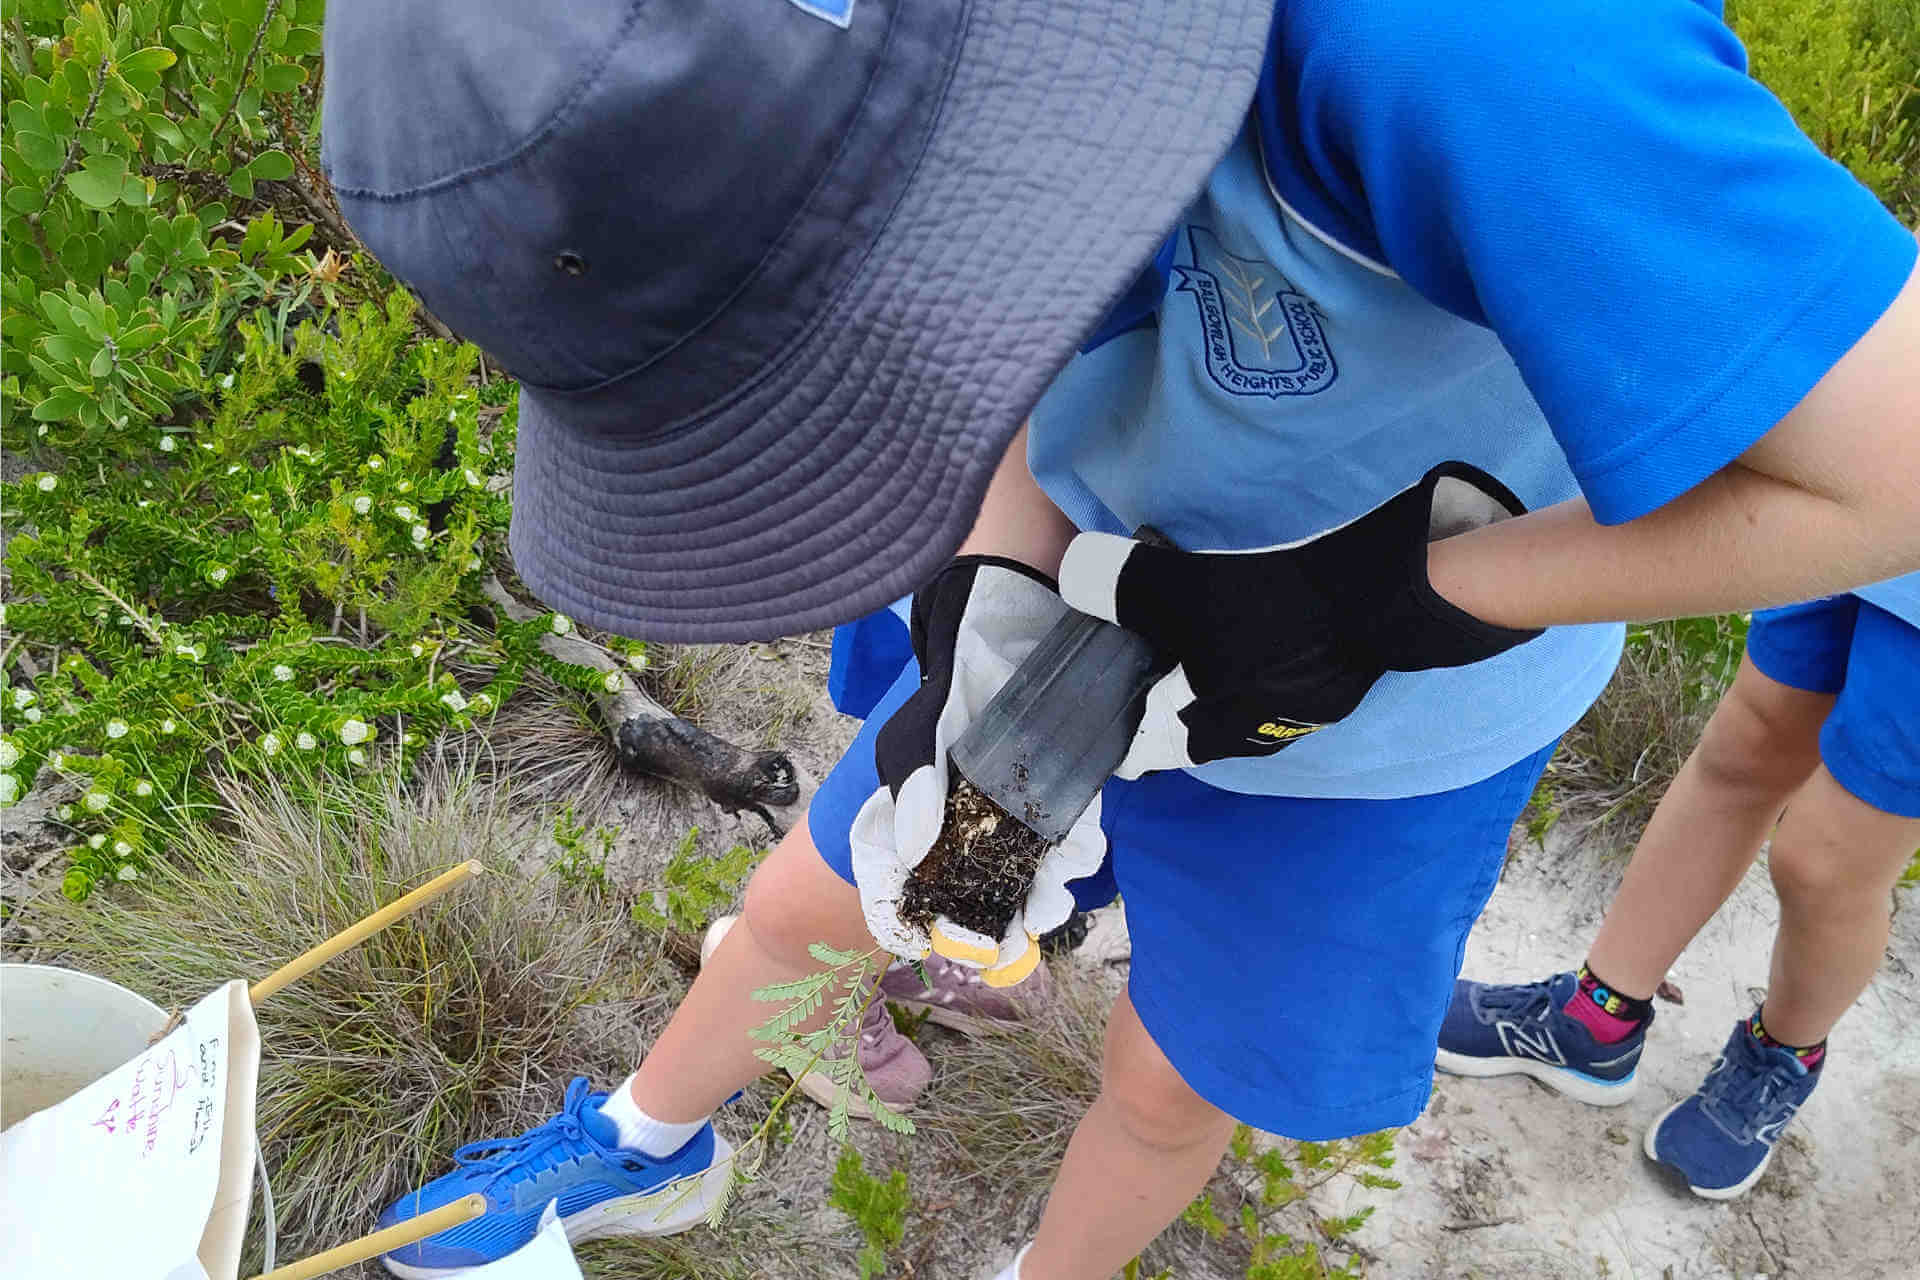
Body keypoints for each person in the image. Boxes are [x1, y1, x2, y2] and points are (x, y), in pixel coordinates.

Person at [318, 0, 1920, 1276]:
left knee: (1170, 1081)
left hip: (1373, 726)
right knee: (836, 884)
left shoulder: (1481, 45)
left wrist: (1386, 603)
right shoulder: (892, 76)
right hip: (1065, 553)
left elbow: (1894, 477)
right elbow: (989, 307)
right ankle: (662, 1140)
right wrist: (989, 598)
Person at [1438, 575, 1920, 1200]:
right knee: (1747, 746)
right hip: (1893, 509)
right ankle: (1597, 1021)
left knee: (1826, 859)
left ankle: (1782, 1057)